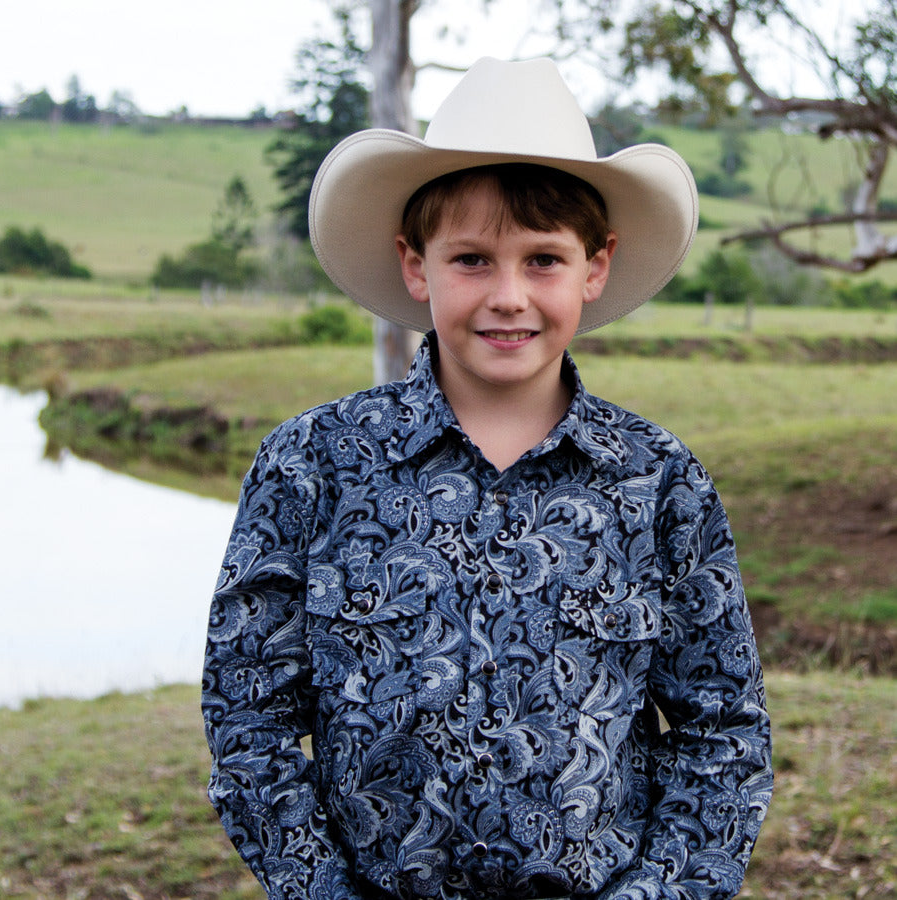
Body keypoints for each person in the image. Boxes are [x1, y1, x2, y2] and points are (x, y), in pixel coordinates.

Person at [202, 57, 773, 900]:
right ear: (416, 265)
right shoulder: (312, 464)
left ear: (596, 267)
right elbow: (249, 719)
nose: (509, 295)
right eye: (472, 259)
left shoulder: (659, 483)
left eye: (543, 260)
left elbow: (722, 735)